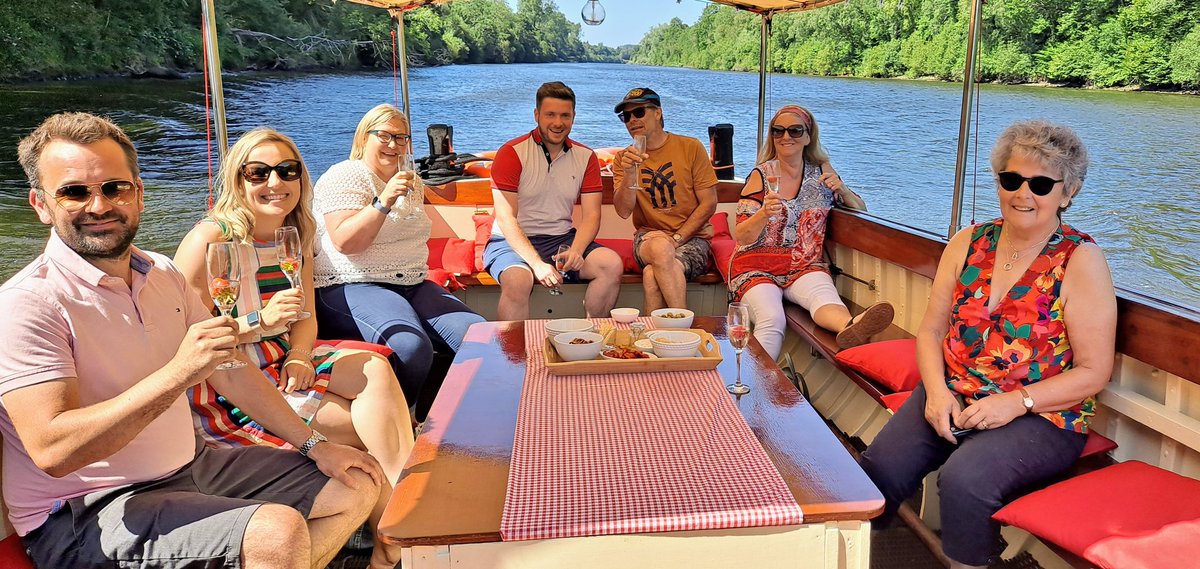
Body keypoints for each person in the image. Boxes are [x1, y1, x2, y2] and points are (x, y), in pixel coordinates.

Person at [1, 112, 383, 568]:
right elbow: (53, 450)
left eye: (115, 187)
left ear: (139, 195)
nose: (99, 205)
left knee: (357, 479)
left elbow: (230, 370)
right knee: (277, 534)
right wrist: (180, 372)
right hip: (88, 510)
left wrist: (314, 445)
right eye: (74, 192)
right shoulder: (30, 303)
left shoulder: (161, 273)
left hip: (191, 467)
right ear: (41, 205)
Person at [858, 121, 1117, 569]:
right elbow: (931, 332)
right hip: (954, 392)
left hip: (1042, 415)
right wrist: (936, 393)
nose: (1023, 194)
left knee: (964, 482)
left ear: (1068, 192)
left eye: (1040, 184)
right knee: (877, 472)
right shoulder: (969, 242)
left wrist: (1016, 402)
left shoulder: (1080, 260)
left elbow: (1094, 373)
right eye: (1011, 179)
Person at [173, 127, 415, 568]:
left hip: (281, 365)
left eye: (287, 171)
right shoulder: (210, 240)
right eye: (258, 172)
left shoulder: (296, 233)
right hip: (230, 387)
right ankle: (395, 535)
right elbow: (181, 338)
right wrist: (257, 323)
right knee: (369, 429)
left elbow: (305, 314)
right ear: (237, 179)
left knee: (376, 369)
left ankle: (397, 523)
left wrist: (301, 355)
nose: (275, 182)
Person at [312, 103, 484, 410]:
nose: (394, 145)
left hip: (411, 282)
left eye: (402, 138)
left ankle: (446, 417)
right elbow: (346, 243)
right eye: (385, 136)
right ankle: (399, 423)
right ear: (363, 138)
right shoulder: (345, 175)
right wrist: (384, 200)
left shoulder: (411, 181)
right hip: (350, 283)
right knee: (409, 345)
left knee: (479, 336)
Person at [728, 104, 894, 358]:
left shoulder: (823, 175)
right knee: (772, 319)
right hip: (756, 266)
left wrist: (842, 189)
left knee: (826, 301)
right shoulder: (761, 175)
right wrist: (763, 213)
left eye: (795, 130)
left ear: (808, 136)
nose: (786, 137)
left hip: (804, 265)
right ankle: (756, 380)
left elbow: (862, 210)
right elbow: (742, 236)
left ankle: (850, 326)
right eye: (778, 131)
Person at [483, 81, 623, 320]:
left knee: (611, 265)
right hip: (510, 241)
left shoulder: (585, 157)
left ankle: (592, 336)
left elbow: (592, 215)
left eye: (565, 116)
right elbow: (506, 219)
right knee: (517, 280)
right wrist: (537, 264)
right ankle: (513, 345)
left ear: (573, 117)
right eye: (550, 114)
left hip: (560, 239)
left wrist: (576, 250)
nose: (558, 123)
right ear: (536, 115)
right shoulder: (512, 153)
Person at [612, 87, 718, 311]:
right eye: (626, 116)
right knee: (660, 247)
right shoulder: (624, 159)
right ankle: (684, 325)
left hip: (693, 239)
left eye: (639, 112)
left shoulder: (690, 147)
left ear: (658, 113)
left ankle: (660, 332)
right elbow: (623, 211)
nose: (632, 120)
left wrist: (677, 239)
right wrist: (630, 174)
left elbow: (709, 203)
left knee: (652, 274)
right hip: (648, 238)